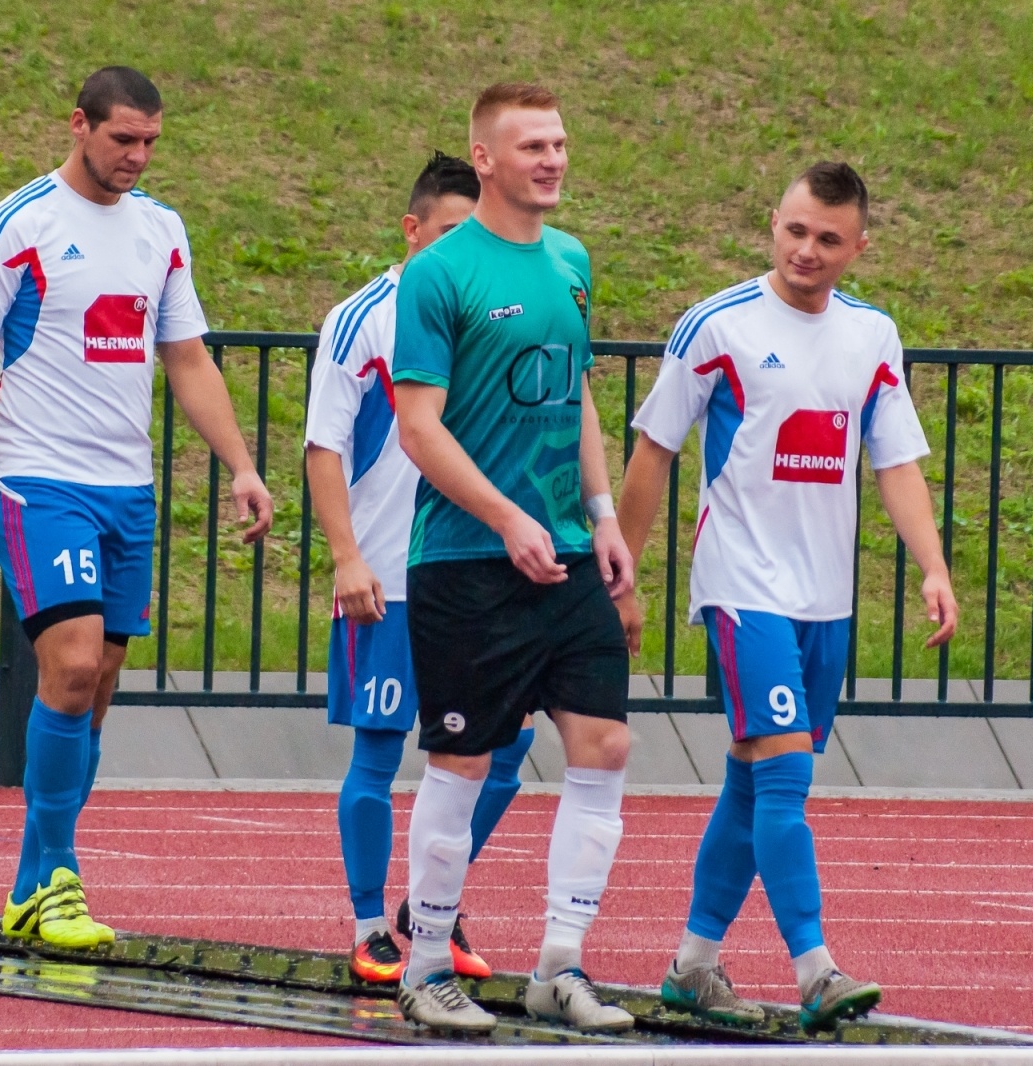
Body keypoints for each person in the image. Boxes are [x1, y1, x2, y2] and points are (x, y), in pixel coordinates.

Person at [615, 162, 958, 1031]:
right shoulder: (717, 325)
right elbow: (654, 449)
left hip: (824, 602)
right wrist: (620, 572)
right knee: (786, 777)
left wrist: (933, 567)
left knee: (754, 781)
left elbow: (896, 463)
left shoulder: (873, 336)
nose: (807, 251)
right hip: (742, 587)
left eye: (828, 239)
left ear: (859, 247)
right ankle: (815, 970)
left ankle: (693, 965)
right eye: (795, 231)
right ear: (774, 223)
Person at [0, 67, 273, 950]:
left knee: (97, 694)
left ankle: (29, 886)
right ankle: (59, 879)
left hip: (129, 491)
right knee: (74, 666)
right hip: (36, 479)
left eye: (151, 141)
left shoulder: (162, 230)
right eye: (123, 138)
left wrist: (240, 464)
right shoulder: (21, 225)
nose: (137, 156)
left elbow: (188, 359)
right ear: (79, 125)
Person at [389, 82, 635, 1034]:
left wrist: (602, 516)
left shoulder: (572, 261)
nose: (553, 159)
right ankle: (425, 964)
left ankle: (561, 967)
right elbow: (419, 427)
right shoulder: (440, 274)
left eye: (561, 142)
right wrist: (502, 518)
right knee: (461, 759)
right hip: (465, 558)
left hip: (567, 553)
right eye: (532, 145)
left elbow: (574, 399)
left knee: (605, 744)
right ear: (484, 159)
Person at [303, 151, 535, 985]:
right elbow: (323, 447)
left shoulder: (493, 307)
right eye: (445, 234)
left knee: (505, 751)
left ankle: (432, 902)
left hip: (475, 569)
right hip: (390, 578)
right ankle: (371, 922)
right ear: (412, 230)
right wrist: (347, 557)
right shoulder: (364, 318)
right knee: (379, 752)